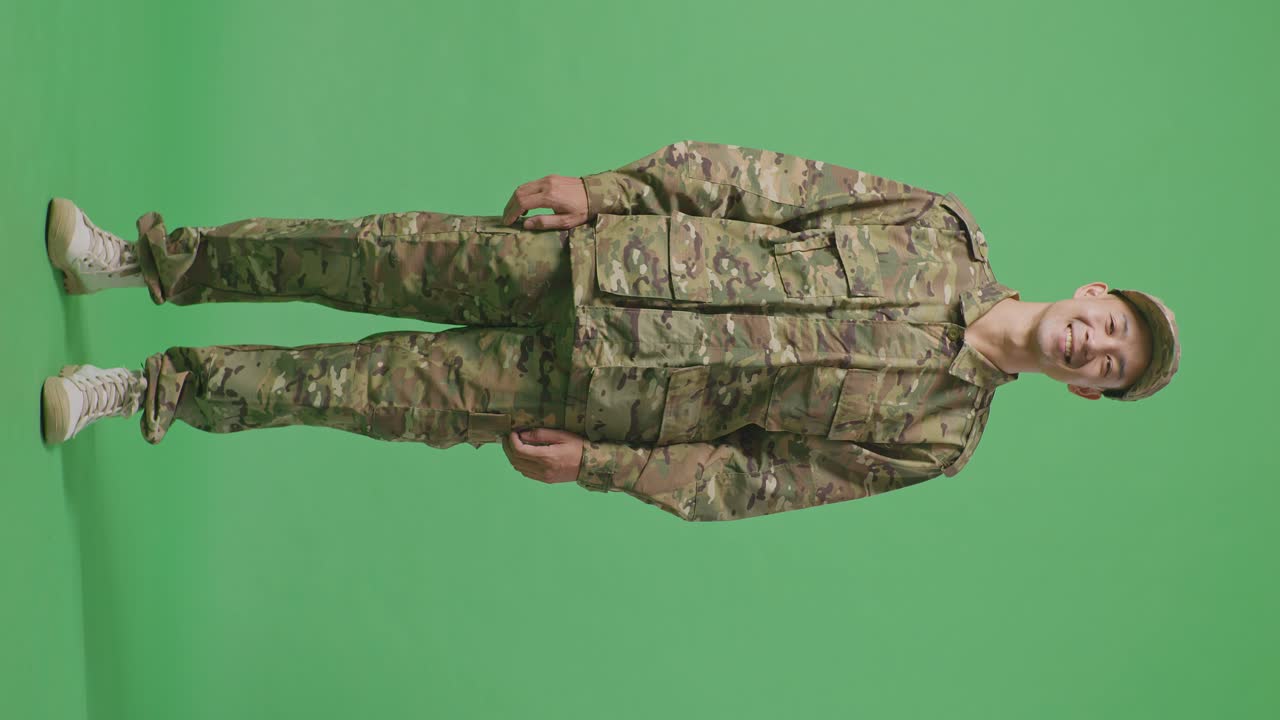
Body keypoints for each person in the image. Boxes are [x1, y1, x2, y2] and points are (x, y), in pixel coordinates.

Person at [40, 140, 1181, 522]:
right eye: (1109, 322)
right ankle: (143, 261)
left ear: (1087, 390)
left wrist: (604, 468)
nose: (1094, 342)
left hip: (591, 396)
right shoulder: (938, 228)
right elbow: (761, 183)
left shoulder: (936, 438)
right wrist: (611, 188)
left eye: (1111, 365)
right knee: (356, 251)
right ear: (1089, 293)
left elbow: (753, 482)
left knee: (354, 389)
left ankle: (143, 391)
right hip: (580, 262)